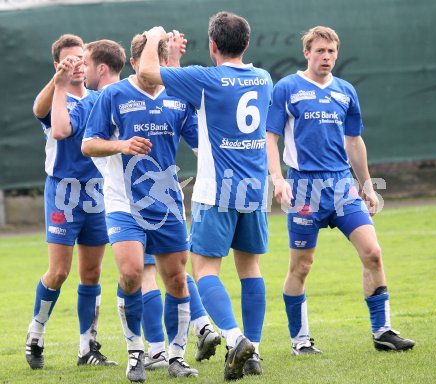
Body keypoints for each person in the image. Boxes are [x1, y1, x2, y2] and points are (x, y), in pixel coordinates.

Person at [266, 26, 416, 355]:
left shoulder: (346, 90)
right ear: (307, 53)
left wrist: (367, 185)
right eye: (320, 51)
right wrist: (278, 178)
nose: (327, 57)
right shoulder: (288, 88)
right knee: (301, 266)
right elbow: (270, 137)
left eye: (332, 52)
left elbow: (354, 141)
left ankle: (383, 331)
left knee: (372, 253)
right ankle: (300, 340)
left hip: (341, 185)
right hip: (305, 186)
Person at [139, 11, 273, 381]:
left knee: (204, 270)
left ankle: (234, 338)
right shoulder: (263, 78)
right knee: (250, 270)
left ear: (212, 45)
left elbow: (147, 73)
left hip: (217, 192)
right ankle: (254, 352)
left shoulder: (206, 79)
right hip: (255, 190)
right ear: (246, 44)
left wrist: (154, 38)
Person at [81, 32, 201, 383]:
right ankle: (136, 352)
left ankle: (176, 356)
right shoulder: (114, 95)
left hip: (167, 204)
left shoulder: (178, 97)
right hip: (123, 203)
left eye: (160, 63)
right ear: (135, 63)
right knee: (132, 272)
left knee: (177, 279)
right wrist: (121, 145)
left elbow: (199, 144)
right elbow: (89, 145)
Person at [25, 34, 117, 370]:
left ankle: (87, 348)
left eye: (81, 58)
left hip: (96, 192)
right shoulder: (57, 96)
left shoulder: (99, 97)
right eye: (69, 60)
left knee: (91, 272)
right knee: (59, 271)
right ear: (58, 63)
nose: (77, 64)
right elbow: (39, 111)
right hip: (63, 193)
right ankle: (36, 332)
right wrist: (58, 80)